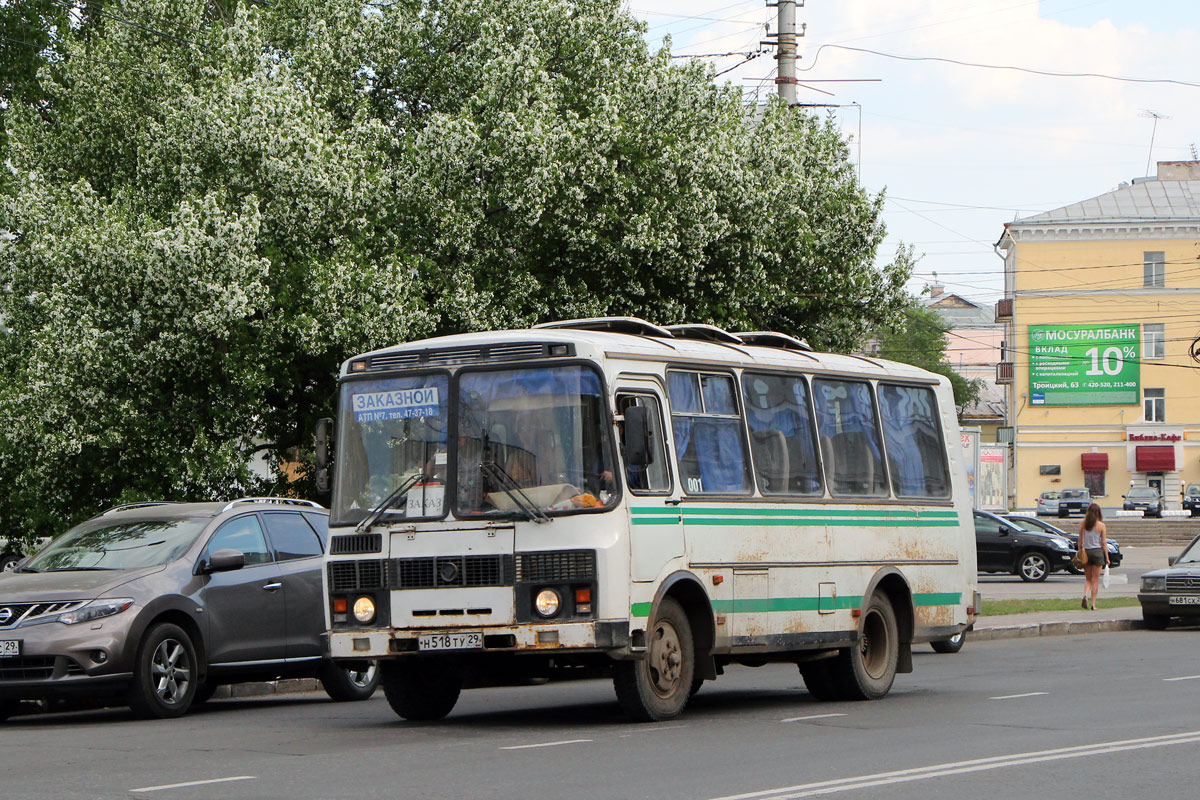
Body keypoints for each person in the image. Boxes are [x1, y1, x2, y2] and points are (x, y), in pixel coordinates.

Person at [1077, 503, 1110, 610]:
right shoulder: (1101, 526)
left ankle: (1085, 596)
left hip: (1086, 552)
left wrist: (1079, 552)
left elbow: (1080, 540)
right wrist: (1107, 557)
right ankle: (1093, 604)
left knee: (1088, 579)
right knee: (1095, 580)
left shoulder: (1083, 524)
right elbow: (1104, 543)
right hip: (1097, 553)